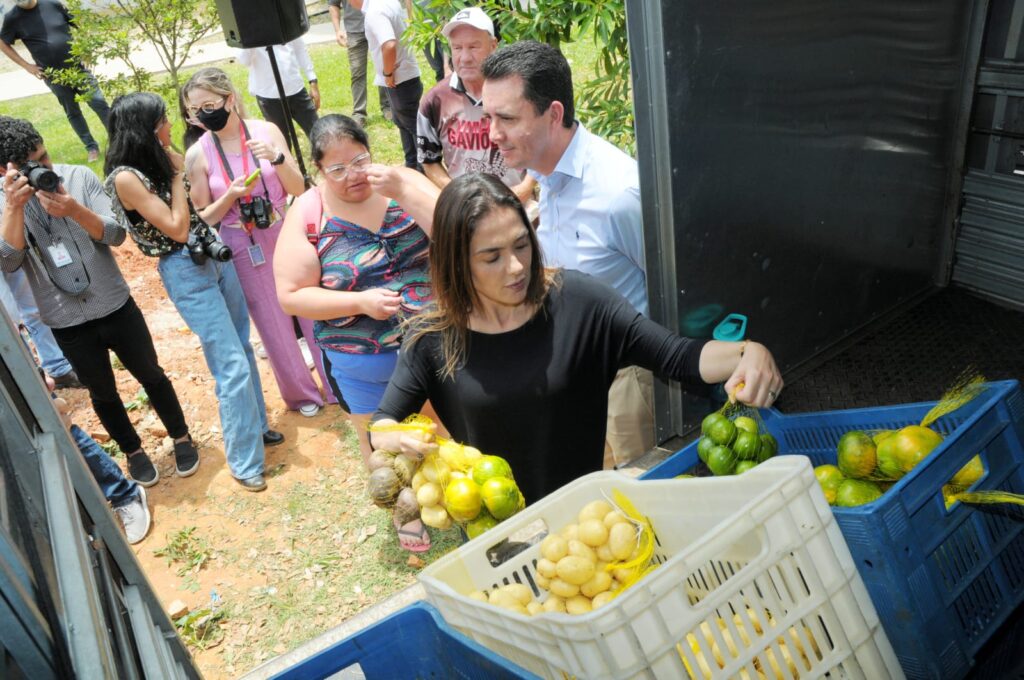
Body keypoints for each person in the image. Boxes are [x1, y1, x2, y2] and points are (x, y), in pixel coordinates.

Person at [369, 174, 784, 503]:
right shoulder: (433, 337)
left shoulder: (580, 302)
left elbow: (678, 357)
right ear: (458, 262)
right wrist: (387, 436)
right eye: (492, 257)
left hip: (587, 519)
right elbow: (382, 422)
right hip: (495, 534)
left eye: (521, 245)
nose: (515, 267)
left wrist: (748, 352)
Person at [0, 115, 198, 487]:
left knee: (150, 373)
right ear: (4, 170)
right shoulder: (4, 202)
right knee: (102, 393)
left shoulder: (78, 177)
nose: (45, 169)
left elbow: (115, 234)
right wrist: (13, 207)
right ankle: (134, 451)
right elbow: (8, 261)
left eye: (44, 157)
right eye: (33, 166)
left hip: (114, 303)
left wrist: (73, 209)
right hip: (65, 321)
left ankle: (182, 436)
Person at [481, 40, 652, 470]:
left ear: (553, 114)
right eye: (489, 117)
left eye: (506, 118)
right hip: (578, 371)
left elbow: (674, 288)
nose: (492, 133)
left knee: (642, 494)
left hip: (627, 382)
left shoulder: (617, 194)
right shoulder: (544, 172)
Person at [274, 114, 439, 551]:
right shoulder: (309, 212)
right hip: (362, 356)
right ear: (317, 171)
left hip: (433, 343)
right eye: (338, 169)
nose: (354, 175)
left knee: (443, 433)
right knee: (381, 446)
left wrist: (404, 189)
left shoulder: (400, 183)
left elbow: (456, 227)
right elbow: (291, 295)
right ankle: (406, 515)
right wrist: (359, 302)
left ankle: (453, 502)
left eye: (360, 160)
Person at [103, 92, 283, 492]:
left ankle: (257, 427)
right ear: (148, 128)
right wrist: (175, 177)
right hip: (184, 267)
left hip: (213, 254)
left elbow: (196, 212)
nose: (171, 126)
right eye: (165, 120)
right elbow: (177, 228)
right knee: (230, 364)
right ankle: (244, 461)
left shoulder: (160, 157)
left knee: (242, 345)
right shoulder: (126, 177)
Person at [182, 67, 334, 418]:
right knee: (271, 321)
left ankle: (335, 382)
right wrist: (230, 197)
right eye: (195, 110)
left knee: (314, 308)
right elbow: (202, 215)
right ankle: (301, 394)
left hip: (285, 228)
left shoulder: (267, 131)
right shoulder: (198, 154)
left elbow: (299, 189)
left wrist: (277, 159)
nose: (204, 114)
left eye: (209, 104)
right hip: (241, 241)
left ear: (229, 99)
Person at [416, 7, 534, 204]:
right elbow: (429, 161)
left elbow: (543, 142)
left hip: (519, 205)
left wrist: (525, 188)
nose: (465, 57)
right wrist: (458, 194)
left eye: (473, 47)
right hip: (467, 210)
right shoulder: (435, 101)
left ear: (494, 45)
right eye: (457, 48)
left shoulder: (520, 91)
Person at [0, 0, 110, 162]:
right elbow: (3, 42)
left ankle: (118, 139)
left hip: (77, 69)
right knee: (72, 111)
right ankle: (91, 147)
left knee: (98, 102)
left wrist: (86, 49)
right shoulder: (13, 17)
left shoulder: (52, 4)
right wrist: (27, 66)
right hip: (53, 76)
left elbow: (78, 22)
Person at [348, 0, 423, 170]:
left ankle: (423, 170)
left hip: (399, 79)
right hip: (404, 77)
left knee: (412, 127)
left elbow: (389, 44)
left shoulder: (375, 11)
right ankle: (412, 166)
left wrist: (388, 73)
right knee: (403, 123)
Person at [236, 38, 320, 153]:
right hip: (268, 95)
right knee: (282, 141)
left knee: (318, 133)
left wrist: (312, 80)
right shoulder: (248, 27)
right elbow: (244, 60)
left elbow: (300, 48)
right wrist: (252, 35)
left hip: (295, 88)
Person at [1, 268, 81, 387]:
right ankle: (31, 380)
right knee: (8, 319)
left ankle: (58, 368)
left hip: (11, 251)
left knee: (34, 304)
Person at [327, 0, 392, 128]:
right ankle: (359, 113)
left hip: (378, 24)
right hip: (354, 30)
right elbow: (333, 4)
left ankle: (388, 106)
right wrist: (337, 30)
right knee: (357, 72)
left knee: (383, 66)